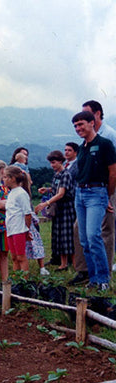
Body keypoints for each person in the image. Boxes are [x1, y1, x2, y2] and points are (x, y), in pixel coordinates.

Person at [72, 110, 116, 290]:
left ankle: (104, 278)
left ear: (92, 123)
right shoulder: (82, 147)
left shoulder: (105, 144)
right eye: (75, 126)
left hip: (97, 193)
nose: (78, 128)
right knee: (84, 240)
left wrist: (107, 195)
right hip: (80, 194)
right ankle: (93, 278)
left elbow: (113, 173)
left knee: (93, 236)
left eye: (81, 124)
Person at [35, 151, 76, 271]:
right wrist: (47, 190)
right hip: (58, 210)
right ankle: (63, 263)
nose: (52, 165)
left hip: (66, 209)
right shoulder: (56, 174)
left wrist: (46, 203)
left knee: (68, 236)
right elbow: (57, 189)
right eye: (51, 163)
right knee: (59, 236)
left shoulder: (65, 174)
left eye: (53, 162)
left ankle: (74, 263)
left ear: (60, 161)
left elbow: (61, 193)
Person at [3, 166, 32, 273]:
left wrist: (27, 229)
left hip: (19, 229)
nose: (4, 179)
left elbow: (27, 214)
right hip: (11, 229)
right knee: (14, 257)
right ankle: (17, 280)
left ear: (13, 178)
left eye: (6, 177)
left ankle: (25, 280)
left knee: (21, 257)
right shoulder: (11, 193)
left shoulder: (21, 193)